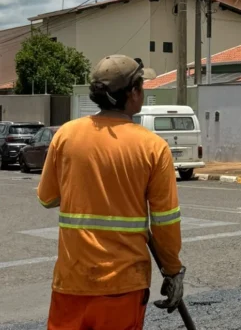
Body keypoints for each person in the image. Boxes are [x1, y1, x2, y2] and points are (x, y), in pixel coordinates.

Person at [37, 55, 185, 330]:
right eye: (141, 86)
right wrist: (173, 271)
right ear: (132, 94)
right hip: (123, 285)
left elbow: (47, 198)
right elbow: (165, 222)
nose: (142, 92)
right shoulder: (152, 147)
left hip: (71, 282)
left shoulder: (66, 136)